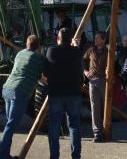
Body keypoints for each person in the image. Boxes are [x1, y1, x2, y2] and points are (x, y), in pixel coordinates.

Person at [0, 34, 46, 159]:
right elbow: (43, 75)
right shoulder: (39, 57)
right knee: (10, 126)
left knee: (9, 124)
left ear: (26, 44)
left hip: (7, 89)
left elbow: (31, 72)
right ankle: (1, 155)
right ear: (39, 46)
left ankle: (5, 154)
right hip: (20, 91)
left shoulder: (20, 54)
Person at [44, 28, 83, 159]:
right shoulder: (77, 52)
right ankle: (76, 156)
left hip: (56, 94)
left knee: (54, 127)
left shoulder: (51, 51)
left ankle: (54, 156)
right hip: (73, 93)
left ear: (58, 38)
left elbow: (46, 73)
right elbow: (76, 57)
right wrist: (76, 46)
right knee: (74, 127)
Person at [83, 31, 109, 142]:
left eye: (98, 38)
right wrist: (85, 71)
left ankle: (107, 131)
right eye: (95, 38)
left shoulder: (109, 51)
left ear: (103, 40)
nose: (95, 40)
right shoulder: (91, 50)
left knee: (106, 106)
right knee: (94, 107)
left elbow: (114, 64)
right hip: (92, 81)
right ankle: (97, 133)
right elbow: (83, 60)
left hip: (104, 80)